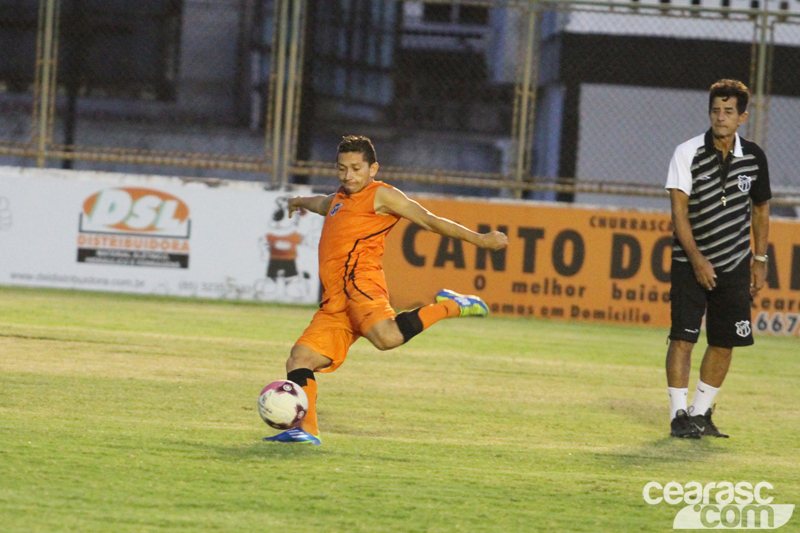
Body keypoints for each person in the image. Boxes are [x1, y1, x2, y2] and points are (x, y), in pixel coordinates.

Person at [265, 135, 509, 444]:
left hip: (362, 284)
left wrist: (481, 240)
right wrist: (299, 202)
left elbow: (430, 221)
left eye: (356, 168)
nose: (348, 176)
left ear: (373, 168)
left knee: (387, 338)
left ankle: (450, 305)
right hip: (335, 302)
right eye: (342, 169)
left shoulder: (382, 195)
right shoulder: (340, 197)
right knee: (299, 359)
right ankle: (305, 431)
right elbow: (323, 204)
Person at [664, 79, 771, 439]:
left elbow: (761, 208)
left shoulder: (754, 157)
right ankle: (678, 414)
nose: (720, 118)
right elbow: (678, 213)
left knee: (725, 341)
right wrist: (696, 260)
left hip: (735, 265)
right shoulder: (687, 152)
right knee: (683, 338)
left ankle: (701, 413)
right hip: (688, 263)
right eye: (715, 110)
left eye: (728, 112)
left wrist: (759, 258)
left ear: (742, 117)